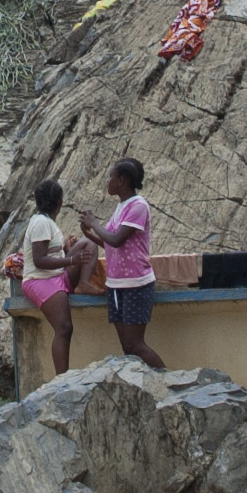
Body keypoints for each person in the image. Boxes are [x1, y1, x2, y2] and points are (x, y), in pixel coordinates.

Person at [74, 157, 167, 370]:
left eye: (111, 177)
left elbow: (117, 239)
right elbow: (110, 244)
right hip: (116, 285)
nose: (108, 181)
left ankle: (166, 380)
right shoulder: (121, 206)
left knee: (136, 344)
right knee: (127, 345)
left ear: (122, 181)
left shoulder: (139, 206)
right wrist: (89, 232)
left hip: (136, 283)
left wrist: (95, 224)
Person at [18, 178, 103, 376]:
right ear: (60, 203)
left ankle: (83, 283)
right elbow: (40, 260)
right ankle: (62, 379)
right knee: (64, 327)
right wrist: (73, 260)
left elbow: (52, 255)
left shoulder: (47, 222)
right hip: (40, 279)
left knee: (88, 243)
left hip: (56, 275)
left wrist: (67, 249)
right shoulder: (40, 223)